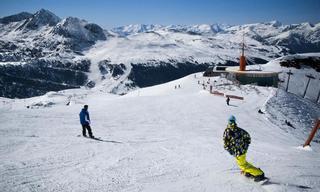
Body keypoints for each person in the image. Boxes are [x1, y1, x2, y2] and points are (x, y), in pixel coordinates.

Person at [223, 115, 265, 181]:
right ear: (228, 122)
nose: (231, 123)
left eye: (232, 122)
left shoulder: (239, 130)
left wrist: (245, 146)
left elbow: (248, 137)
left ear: (235, 122)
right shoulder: (227, 131)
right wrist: (229, 150)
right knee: (243, 163)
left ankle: (259, 174)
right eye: (230, 122)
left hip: (240, 151)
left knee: (242, 165)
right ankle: (249, 172)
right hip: (236, 151)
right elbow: (225, 142)